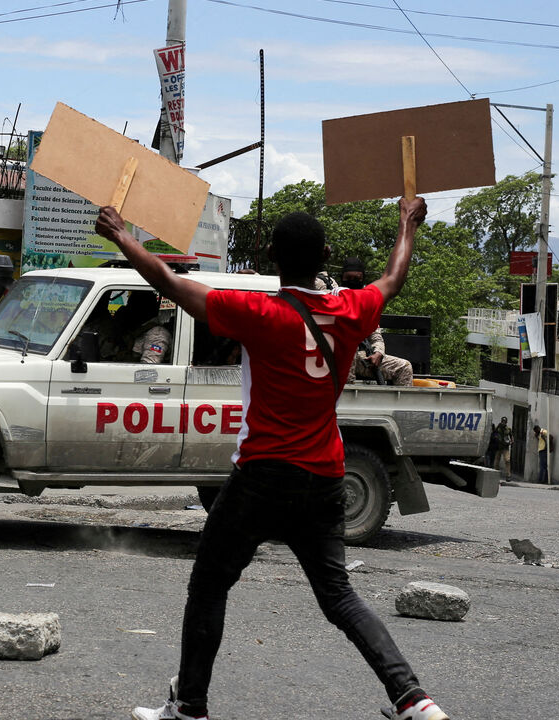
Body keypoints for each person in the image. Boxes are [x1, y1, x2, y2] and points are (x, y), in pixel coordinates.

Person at [96, 197, 449, 720]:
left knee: (210, 584)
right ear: (325, 255)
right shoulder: (351, 310)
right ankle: (414, 700)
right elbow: (392, 278)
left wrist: (124, 236)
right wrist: (406, 223)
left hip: (262, 475)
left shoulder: (258, 313)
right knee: (339, 596)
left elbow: (171, 284)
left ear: (272, 259)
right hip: (326, 476)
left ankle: (190, 706)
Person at [323, 258, 415, 387]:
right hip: (332, 359)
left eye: (357, 279)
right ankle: (346, 399)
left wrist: (378, 353)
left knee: (404, 367)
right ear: (342, 278)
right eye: (348, 278)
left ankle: (402, 406)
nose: (352, 282)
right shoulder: (331, 297)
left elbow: (376, 336)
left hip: (362, 360)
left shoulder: (364, 303)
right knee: (349, 349)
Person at [113, 291, 171, 364]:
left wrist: (124, 358)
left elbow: (148, 368)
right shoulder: (139, 330)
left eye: (131, 306)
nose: (126, 309)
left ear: (141, 308)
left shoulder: (157, 334)